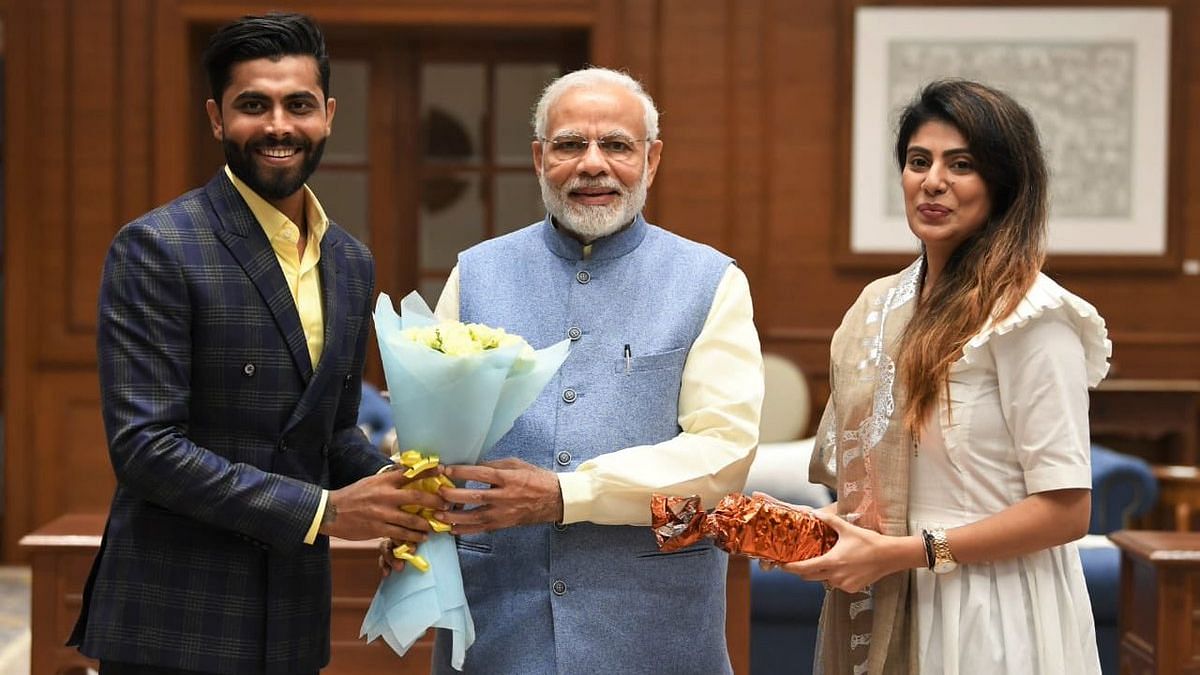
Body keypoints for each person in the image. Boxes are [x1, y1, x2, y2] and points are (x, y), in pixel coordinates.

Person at [69, 13, 443, 675]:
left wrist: (397, 490)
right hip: (173, 620)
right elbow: (145, 449)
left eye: (298, 104)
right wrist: (328, 511)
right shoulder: (157, 247)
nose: (278, 126)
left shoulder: (350, 262)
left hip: (293, 620)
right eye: (253, 105)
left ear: (327, 114)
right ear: (216, 118)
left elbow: (331, 435)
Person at [415, 67, 764, 673]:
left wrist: (563, 494)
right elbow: (428, 441)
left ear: (651, 160)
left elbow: (723, 453)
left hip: (653, 629)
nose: (593, 164)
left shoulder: (710, 282)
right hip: (497, 624)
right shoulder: (476, 274)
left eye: (618, 146)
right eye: (570, 144)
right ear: (538, 158)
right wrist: (410, 517)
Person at [775, 79, 1109, 674]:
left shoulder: (1029, 317)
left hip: (993, 611)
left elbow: (1066, 510)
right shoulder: (879, 308)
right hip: (889, 589)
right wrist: (835, 530)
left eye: (962, 165)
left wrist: (913, 553)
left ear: (1004, 185)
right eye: (918, 161)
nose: (933, 181)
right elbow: (874, 480)